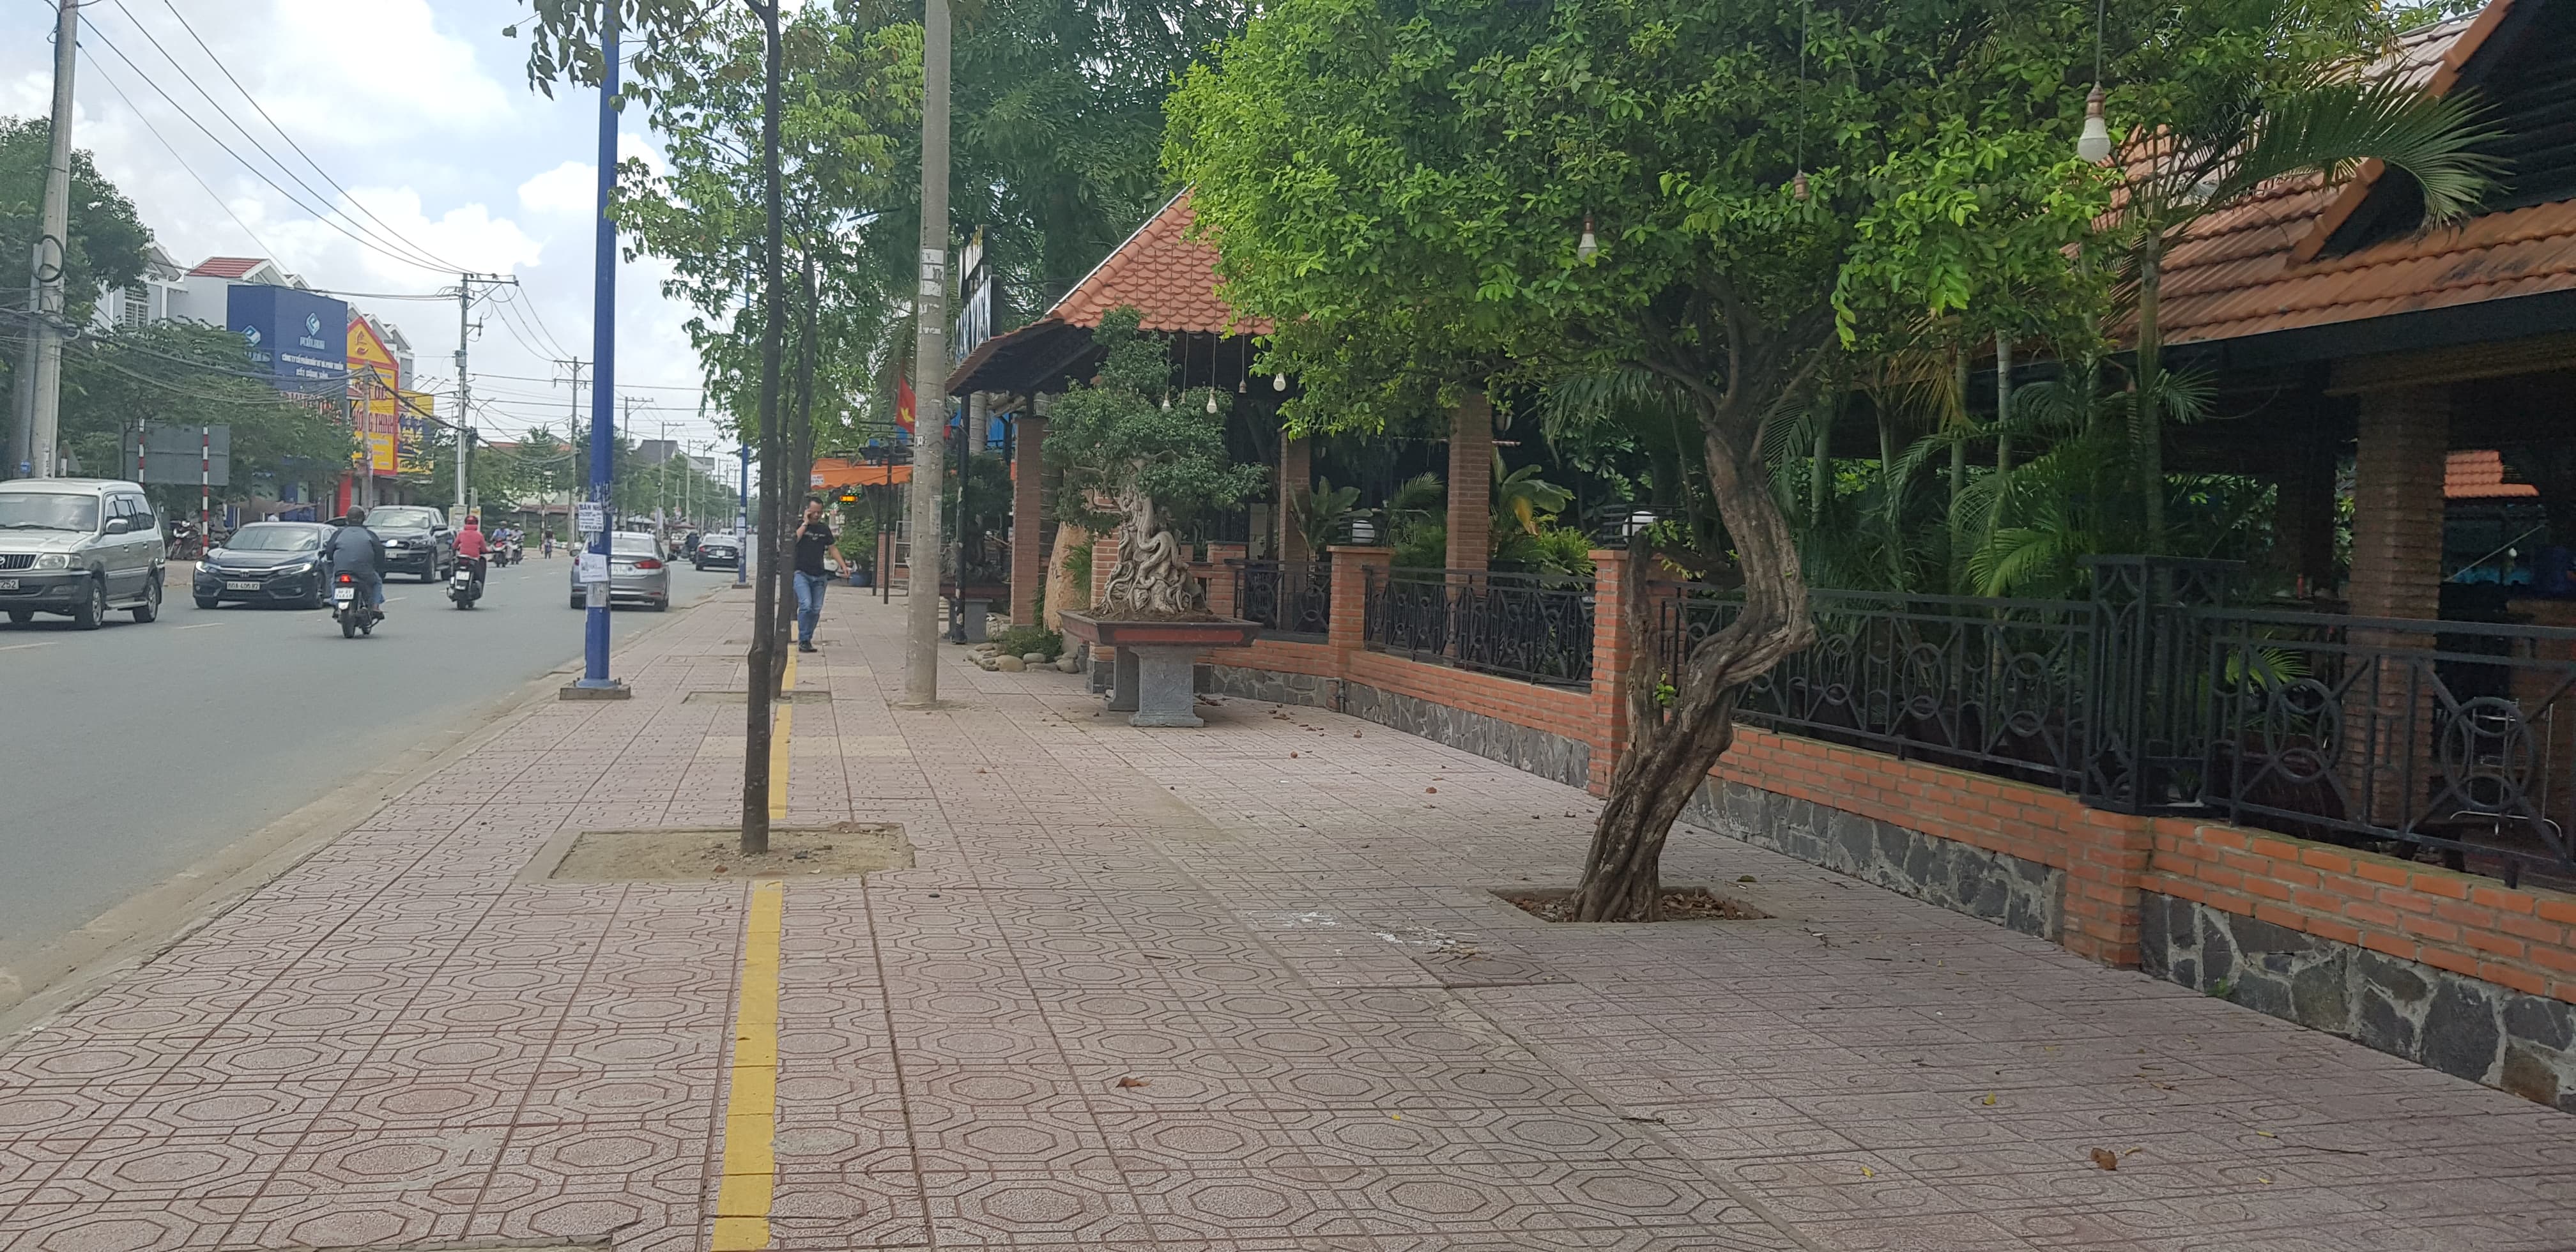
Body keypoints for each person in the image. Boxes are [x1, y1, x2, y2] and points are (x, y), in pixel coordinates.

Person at [792, 496, 843, 653]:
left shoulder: (823, 529)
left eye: (819, 513)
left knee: (815, 609)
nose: (816, 515)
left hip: (819, 575)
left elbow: (832, 548)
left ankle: (807, 639)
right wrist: (805, 523)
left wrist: (843, 565)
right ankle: (803, 638)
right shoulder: (799, 526)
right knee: (806, 605)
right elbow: (794, 541)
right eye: (813, 512)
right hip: (801, 573)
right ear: (807, 511)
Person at [323, 507, 388, 611]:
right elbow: (379, 553)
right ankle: (375, 607)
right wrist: (379, 567)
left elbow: (329, 551)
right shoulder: (370, 535)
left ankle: (336, 602)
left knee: (334, 581)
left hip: (341, 570)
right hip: (364, 572)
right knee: (377, 582)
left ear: (347, 519)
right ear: (363, 519)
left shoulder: (338, 534)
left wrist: (334, 561)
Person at [454, 515, 489, 590]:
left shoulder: (461, 534)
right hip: (474, 559)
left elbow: (454, 546)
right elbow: (484, 550)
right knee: (479, 575)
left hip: (462, 558)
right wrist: (488, 551)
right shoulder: (479, 535)